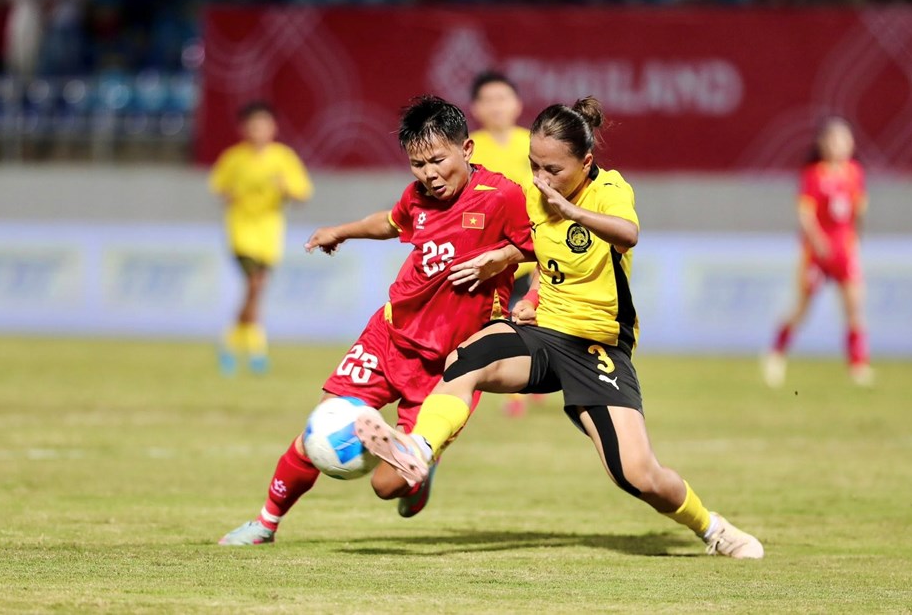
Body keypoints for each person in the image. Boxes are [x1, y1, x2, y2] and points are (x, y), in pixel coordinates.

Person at [357, 97, 765, 560]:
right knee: (466, 358)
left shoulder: (609, 190)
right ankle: (419, 450)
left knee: (636, 475)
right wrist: (512, 268)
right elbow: (533, 246)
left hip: (597, 346)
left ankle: (712, 528)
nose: (540, 179)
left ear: (585, 162)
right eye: (534, 166)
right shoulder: (533, 194)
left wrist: (569, 212)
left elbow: (626, 234)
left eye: (552, 169)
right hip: (543, 332)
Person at [219, 95, 533, 545]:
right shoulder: (417, 197)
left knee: (387, 487)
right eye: (417, 164)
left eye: (438, 160)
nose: (429, 174)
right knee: (323, 424)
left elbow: (541, 244)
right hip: (390, 335)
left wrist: (500, 257)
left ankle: (420, 468)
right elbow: (390, 223)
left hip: (451, 365)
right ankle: (265, 524)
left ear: (466, 150)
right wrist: (341, 231)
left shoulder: (503, 196)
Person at [762, 117, 872, 388]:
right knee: (801, 308)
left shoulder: (855, 173)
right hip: (817, 253)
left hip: (844, 250)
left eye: (844, 140)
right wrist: (818, 241)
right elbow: (805, 215)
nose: (840, 145)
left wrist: (854, 241)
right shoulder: (813, 175)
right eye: (834, 140)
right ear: (823, 144)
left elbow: (857, 212)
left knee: (854, 307)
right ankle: (775, 355)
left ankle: (858, 365)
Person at [209, 101, 313, 375]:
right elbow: (219, 186)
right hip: (241, 230)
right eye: (253, 126)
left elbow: (303, 193)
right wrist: (229, 194)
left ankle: (231, 342)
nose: (258, 131)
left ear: (273, 127)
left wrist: (286, 188)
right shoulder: (234, 158)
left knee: (256, 288)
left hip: (269, 231)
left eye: (263, 125)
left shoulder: (283, 158)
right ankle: (256, 348)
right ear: (244, 129)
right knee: (256, 284)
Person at [468, 71, 542, 418]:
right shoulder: (468, 147)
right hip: (489, 254)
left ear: (517, 104)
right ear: (476, 107)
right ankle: (516, 389)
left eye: (503, 98)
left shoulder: (536, 143)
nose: (496, 107)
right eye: (488, 100)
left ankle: (531, 381)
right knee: (501, 323)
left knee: (532, 319)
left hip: (533, 251)